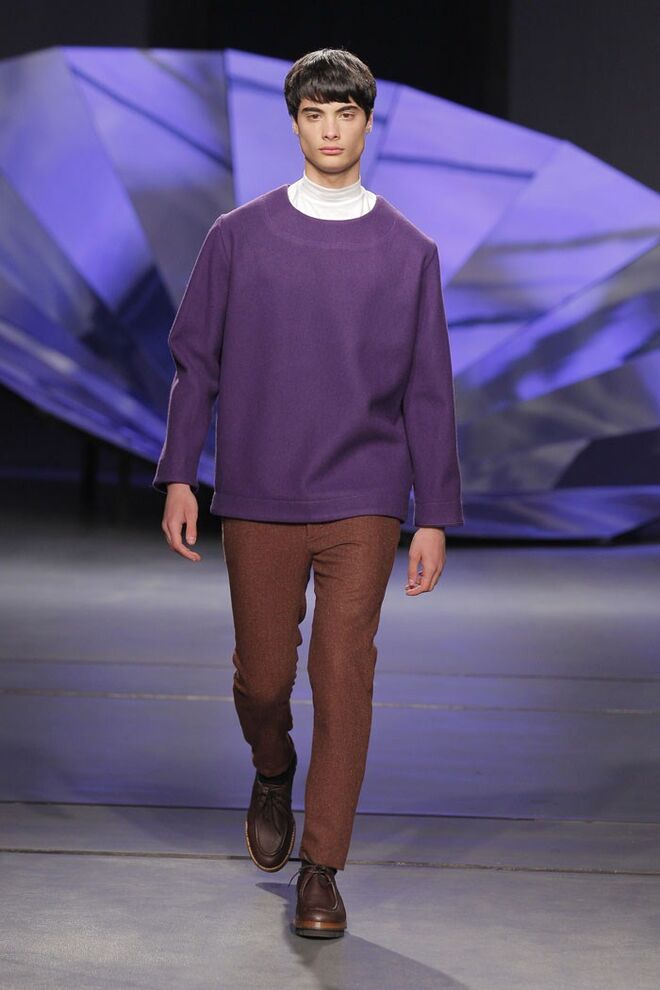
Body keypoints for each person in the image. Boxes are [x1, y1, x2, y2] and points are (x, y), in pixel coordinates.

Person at [153, 47, 464, 939]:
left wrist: (435, 515)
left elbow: (429, 390)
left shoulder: (409, 252)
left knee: (343, 673)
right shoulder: (237, 236)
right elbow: (196, 362)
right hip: (258, 487)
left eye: (346, 114)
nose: (330, 130)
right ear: (294, 123)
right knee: (263, 681)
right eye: (315, 114)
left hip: (364, 491)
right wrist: (180, 471)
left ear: (367, 123)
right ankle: (272, 767)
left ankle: (321, 868)